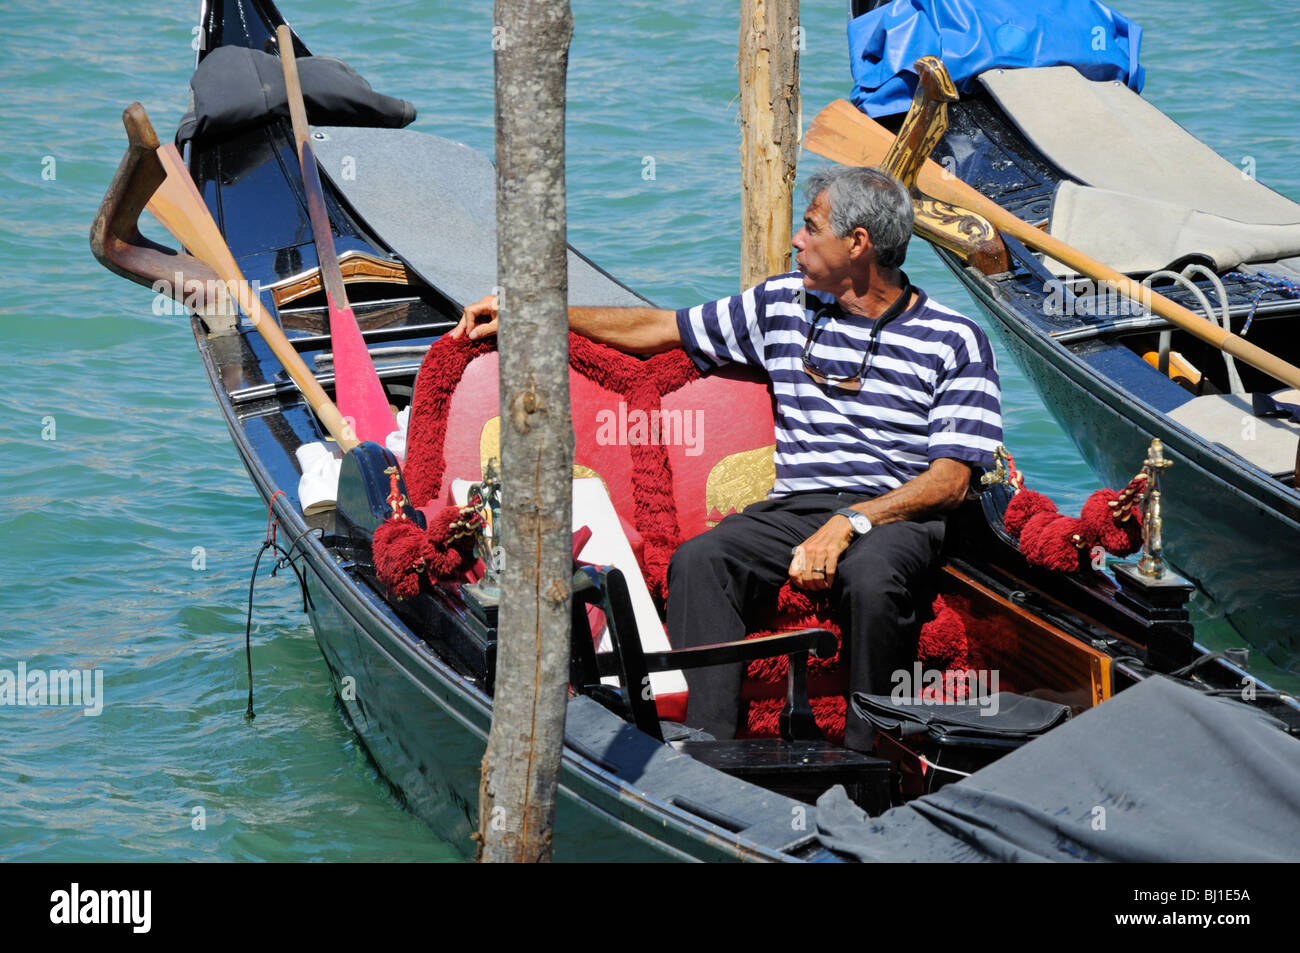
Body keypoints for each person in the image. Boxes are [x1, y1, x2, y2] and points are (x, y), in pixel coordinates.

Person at [451, 166, 1002, 751]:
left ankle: (875, 754)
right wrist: (532, 311)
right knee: (702, 559)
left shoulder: (955, 338)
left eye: (811, 228)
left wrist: (853, 522)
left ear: (857, 243)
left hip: (898, 514)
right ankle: (704, 747)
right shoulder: (781, 306)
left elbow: (949, 481)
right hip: (795, 508)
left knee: (871, 578)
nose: (797, 239)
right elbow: (658, 328)